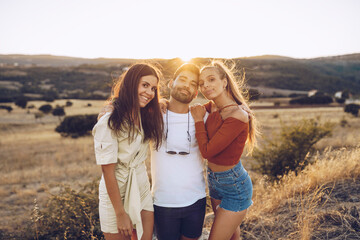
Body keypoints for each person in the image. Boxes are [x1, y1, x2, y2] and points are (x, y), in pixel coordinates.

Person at [92, 63, 164, 240]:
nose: (149, 92)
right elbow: (107, 171)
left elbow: (167, 104)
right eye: (145, 85)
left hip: (141, 186)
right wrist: (120, 213)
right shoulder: (109, 121)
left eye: (153, 88)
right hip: (116, 192)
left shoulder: (145, 114)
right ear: (132, 84)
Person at [190, 61, 258, 240]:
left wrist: (198, 121)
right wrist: (164, 104)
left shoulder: (237, 115)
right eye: (202, 83)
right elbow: (185, 110)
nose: (205, 86)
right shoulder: (212, 106)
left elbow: (207, 151)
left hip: (235, 186)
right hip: (214, 181)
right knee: (231, 236)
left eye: (211, 79)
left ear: (225, 82)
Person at [151, 63, 208, 240]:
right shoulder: (152, 115)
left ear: (196, 92)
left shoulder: (203, 116)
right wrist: (109, 107)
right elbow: (125, 109)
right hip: (163, 202)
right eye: (182, 80)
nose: (187, 85)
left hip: (196, 201)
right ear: (170, 83)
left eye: (193, 84)